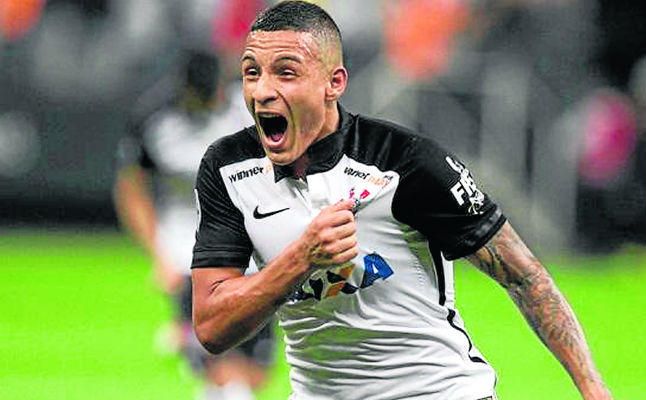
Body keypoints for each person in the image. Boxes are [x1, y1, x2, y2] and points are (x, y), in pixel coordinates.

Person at [190, 2, 613, 399]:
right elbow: (211, 328)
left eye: (286, 73)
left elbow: (525, 277)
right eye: (251, 72)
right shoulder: (228, 168)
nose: (262, 90)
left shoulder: (405, 162)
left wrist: (594, 391)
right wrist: (302, 258)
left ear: (334, 83)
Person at [114, 49, 274, 400]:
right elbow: (131, 188)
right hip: (187, 246)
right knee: (222, 364)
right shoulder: (154, 119)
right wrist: (158, 253)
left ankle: (191, 349)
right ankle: (196, 348)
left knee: (255, 374)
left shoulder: (251, 110)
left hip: (248, 243)